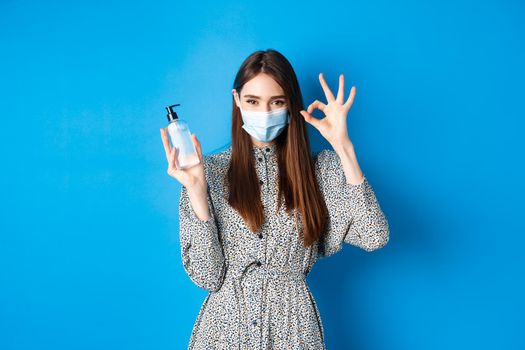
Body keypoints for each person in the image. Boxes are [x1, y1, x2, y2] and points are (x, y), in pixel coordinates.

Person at [159, 49, 389, 349]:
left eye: (276, 102)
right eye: (253, 101)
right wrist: (197, 193)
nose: (264, 112)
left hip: (293, 330)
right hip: (224, 331)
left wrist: (344, 148)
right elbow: (208, 277)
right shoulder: (209, 172)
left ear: (291, 105)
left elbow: (374, 236)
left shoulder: (321, 170)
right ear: (237, 100)